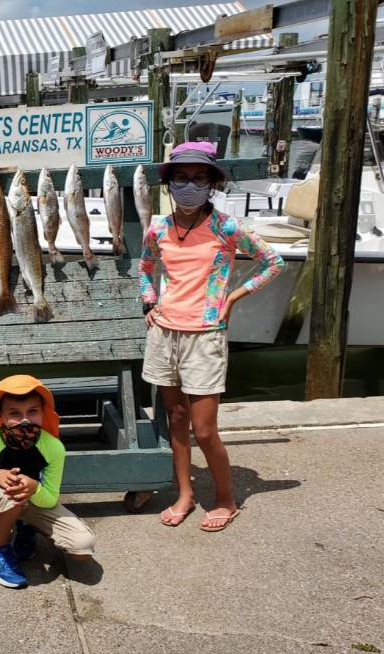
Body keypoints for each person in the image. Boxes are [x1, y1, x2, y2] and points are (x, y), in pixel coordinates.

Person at [139, 141, 284, 532]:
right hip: (164, 334)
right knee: (176, 420)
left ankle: (225, 498)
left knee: (204, 430)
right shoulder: (158, 227)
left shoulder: (226, 227)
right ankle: (185, 494)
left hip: (205, 337)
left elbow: (273, 262)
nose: (189, 186)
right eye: (181, 178)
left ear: (211, 184)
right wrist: (149, 302)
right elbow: (146, 268)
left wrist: (233, 297)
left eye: (199, 178)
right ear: (169, 183)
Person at [0, 375, 96, 588]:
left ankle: (26, 526)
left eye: (33, 412)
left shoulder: (54, 448)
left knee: (82, 546)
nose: (25, 421)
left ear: (43, 412)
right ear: (0, 415)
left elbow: (50, 499)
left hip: (33, 501)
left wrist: (34, 488)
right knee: (10, 490)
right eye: (15, 413)